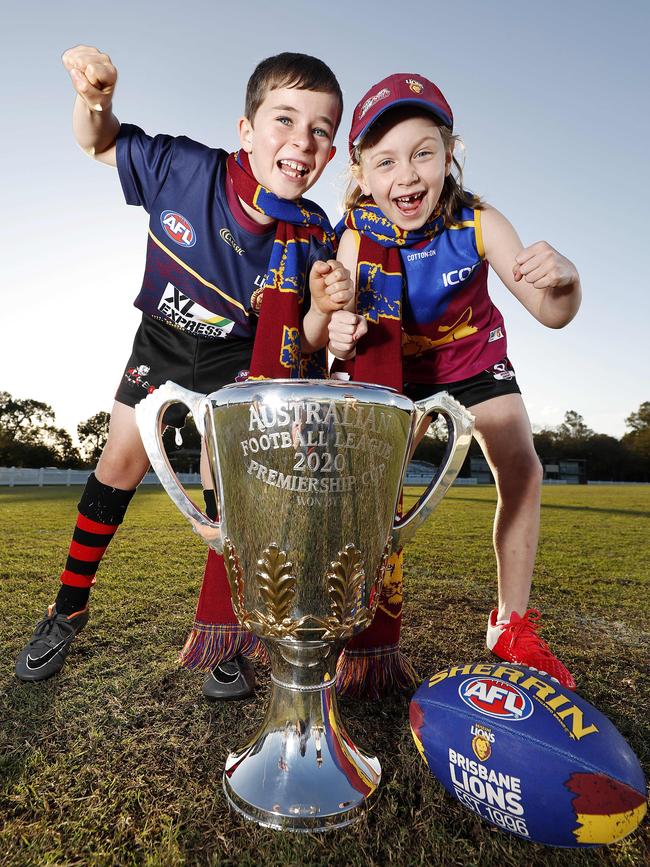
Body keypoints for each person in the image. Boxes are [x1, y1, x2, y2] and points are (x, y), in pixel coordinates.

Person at [15, 46, 353, 699]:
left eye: (320, 130)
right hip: (164, 341)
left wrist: (322, 305)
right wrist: (95, 100)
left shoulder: (313, 230)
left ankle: (230, 635)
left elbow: (304, 337)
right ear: (246, 131)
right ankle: (67, 609)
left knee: (227, 489)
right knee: (118, 464)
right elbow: (100, 143)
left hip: (239, 357)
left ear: (331, 153)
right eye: (285, 120)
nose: (302, 142)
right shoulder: (186, 167)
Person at [327, 73, 581, 696]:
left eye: (422, 153)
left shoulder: (478, 220)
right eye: (385, 161)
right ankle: (349, 627)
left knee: (522, 467)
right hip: (398, 372)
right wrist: (339, 333)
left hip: (473, 360)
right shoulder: (356, 236)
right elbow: (335, 336)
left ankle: (511, 625)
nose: (406, 175)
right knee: (365, 493)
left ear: (449, 153)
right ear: (361, 172)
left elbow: (550, 313)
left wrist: (566, 279)